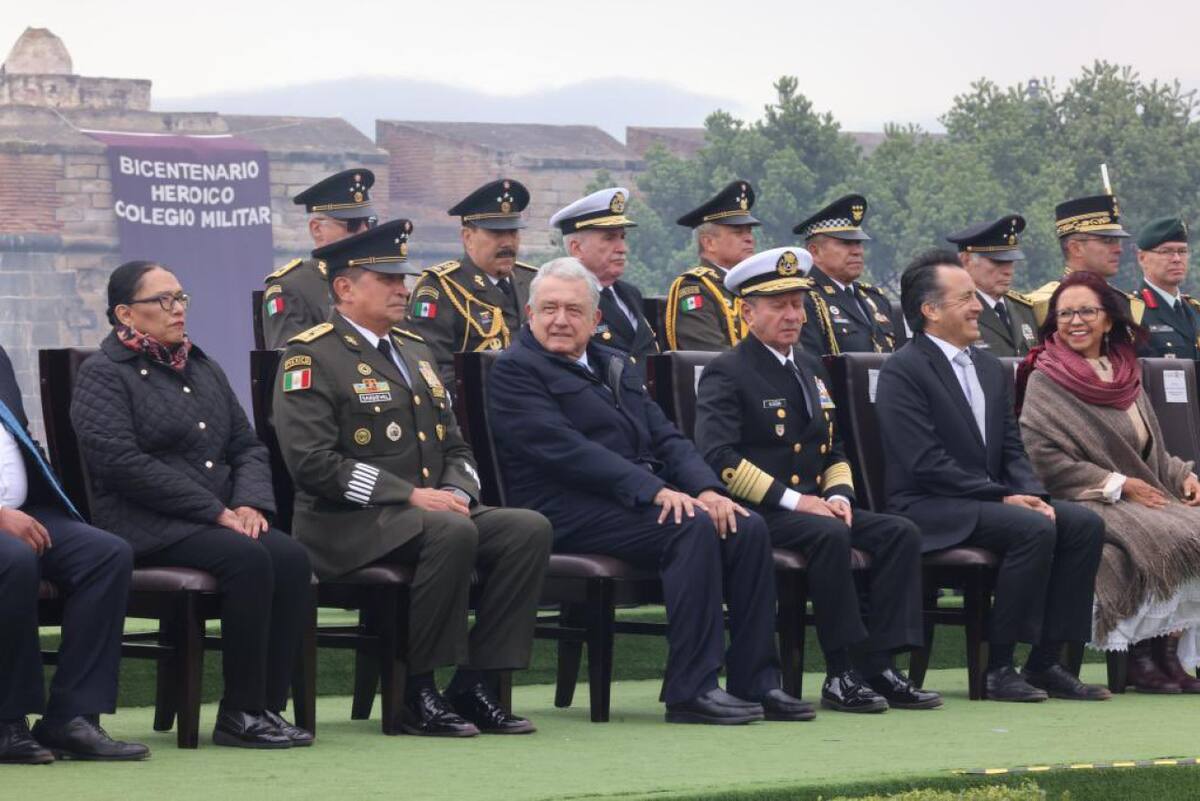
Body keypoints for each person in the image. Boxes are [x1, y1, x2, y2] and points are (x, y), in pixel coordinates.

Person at [488, 257, 810, 725]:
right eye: (549, 309)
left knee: (745, 525)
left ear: (595, 319)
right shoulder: (517, 370)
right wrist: (655, 491)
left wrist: (707, 489)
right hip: (564, 509)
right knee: (689, 526)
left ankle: (756, 681)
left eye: (574, 310)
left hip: (629, 503)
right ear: (530, 314)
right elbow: (567, 451)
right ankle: (692, 689)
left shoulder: (612, 363)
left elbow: (667, 437)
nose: (560, 320)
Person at [273, 220, 552, 737]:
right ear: (345, 288)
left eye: (401, 278)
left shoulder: (414, 350)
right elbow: (312, 464)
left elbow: (456, 446)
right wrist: (409, 495)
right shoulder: (311, 355)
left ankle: (476, 683)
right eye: (387, 279)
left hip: (425, 513)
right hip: (348, 523)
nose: (402, 288)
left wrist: (455, 490)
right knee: (452, 530)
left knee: (526, 529)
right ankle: (416, 691)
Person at [72, 261, 314, 748]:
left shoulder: (201, 365)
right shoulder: (104, 373)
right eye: (162, 300)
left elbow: (246, 446)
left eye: (180, 297)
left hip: (217, 519)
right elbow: (120, 463)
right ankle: (239, 713)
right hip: (145, 522)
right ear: (125, 314)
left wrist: (249, 503)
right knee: (248, 559)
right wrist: (214, 510)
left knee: (289, 557)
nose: (177, 309)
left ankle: (266, 706)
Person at [695, 247, 940, 713]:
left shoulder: (809, 365)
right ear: (747, 312)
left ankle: (879, 664)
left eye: (797, 304)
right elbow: (719, 458)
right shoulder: (727, 370)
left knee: (898, 533)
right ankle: (840, 671)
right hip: (761, 511)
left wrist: (840, 494)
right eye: (778, 305)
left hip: (816, 504)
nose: (792, 315)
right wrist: (798, 501)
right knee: (828, 533)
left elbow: (834, 447)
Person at [876, 249, 1109, 702]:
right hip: (929, 506)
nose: (977, 306)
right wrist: (1002, 497)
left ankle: (1046, 661)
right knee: (1030, 528)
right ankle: (998, 667)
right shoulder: (903, 370)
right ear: (930, 310)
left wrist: (1032, 493)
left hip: (988, 500)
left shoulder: (987, 367)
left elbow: (1011, 448)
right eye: (965, 298)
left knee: (1082, 524)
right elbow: (925, 462)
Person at [1017, 270, 1200, 693]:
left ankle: (1167, 653)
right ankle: (1139, 656)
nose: (1075, 322)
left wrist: (1185, 477)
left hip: (1141, 494)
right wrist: (1118, 483)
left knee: (1192, 524)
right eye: (1065, 314)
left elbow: (1150, 449)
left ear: (1108, 319)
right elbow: (1043, 458)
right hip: (1088, 497)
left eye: (1086, 311)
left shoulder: (1123, 371)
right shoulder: (1045, 377)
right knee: (1168, 536)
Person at [0, 346, 148, 763]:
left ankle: (72, 718)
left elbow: (18, 438)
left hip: (24, 512)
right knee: (15, 559)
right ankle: (7, 723)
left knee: (106, 555)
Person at [406, 178, 537, 384]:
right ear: (468, 237)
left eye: (513, 232)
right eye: (496, 233)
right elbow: (434, 367)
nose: (507, 242)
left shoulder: (532, 281)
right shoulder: (440, 288)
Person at [261, 169, 379, 349]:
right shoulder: (293, 287)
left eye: (369, 222)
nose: (364, 231)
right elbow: (292, 358)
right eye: (353, 224)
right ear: (317, 229)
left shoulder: (382, 281)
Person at [551, 188, 660, 361]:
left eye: (622, 237)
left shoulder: (630, 294)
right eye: (609, 238)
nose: (623, 248)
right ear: (577, 248)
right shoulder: (564, 300)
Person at [793, 194, 905, 356]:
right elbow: (810, 362)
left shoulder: (875, 299)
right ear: (815, 252)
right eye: (845, 243)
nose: (857, 251)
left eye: (858, 243)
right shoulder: (806, 298)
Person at [664, 180, 760, 351]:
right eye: (738, 232)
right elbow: (709, 350)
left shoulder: (754, 286)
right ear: (709, 243)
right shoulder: (696, 287)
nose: (749, 239)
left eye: (749, 231)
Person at [1027, 191, 1142, 327]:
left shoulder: (1123, 302)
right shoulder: (1043, 304)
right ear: (1076, 248)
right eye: (1108, 241)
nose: (1118, 249)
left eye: (1118, 241)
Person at [947, 215, 1039, 356]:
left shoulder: (1023, 310)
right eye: (998, 262)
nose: (1008, 271)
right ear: (966, 260)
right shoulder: (954, 311)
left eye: (1011, 262)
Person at [1134, 216, 1200, 360]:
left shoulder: (1195, 311)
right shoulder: (1133, 312)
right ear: (1142, 258)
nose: (1177, 259)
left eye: (1182, 251)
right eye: (1166, 251)